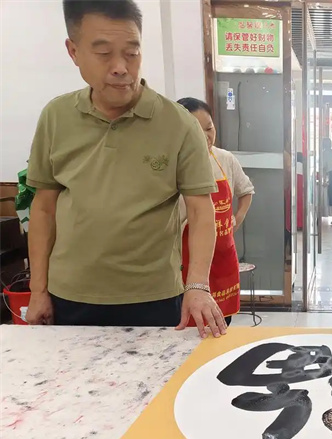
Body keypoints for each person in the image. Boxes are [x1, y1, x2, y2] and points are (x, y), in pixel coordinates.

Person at [25, 0, 226, 339]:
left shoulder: (178, 124)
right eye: (103, 53)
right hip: (69, 294)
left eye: (132, 53)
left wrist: (197, 285)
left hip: (154, 296)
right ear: (73, 52)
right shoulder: (56, 117)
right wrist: (38, 290)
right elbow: (43, 208)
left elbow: (200, 210)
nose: (121, 67)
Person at [176, 97, 255, 326]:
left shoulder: (224, 159)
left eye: (209, 128)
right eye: (196, 130)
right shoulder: (174, 162)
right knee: (190, 323)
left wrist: (237, 219)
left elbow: (246, 191)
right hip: (187, 257)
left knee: (221, 321)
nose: (206, 136)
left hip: (223, 256)